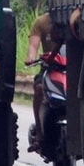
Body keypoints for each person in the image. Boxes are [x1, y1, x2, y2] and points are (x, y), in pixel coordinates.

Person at [25, 10, 57, 153]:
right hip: (50, 68)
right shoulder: (41, 22)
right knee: (38, 88)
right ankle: (39, 133)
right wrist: (31, 57)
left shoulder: (73, 22)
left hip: (70, 68)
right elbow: (33, 45)